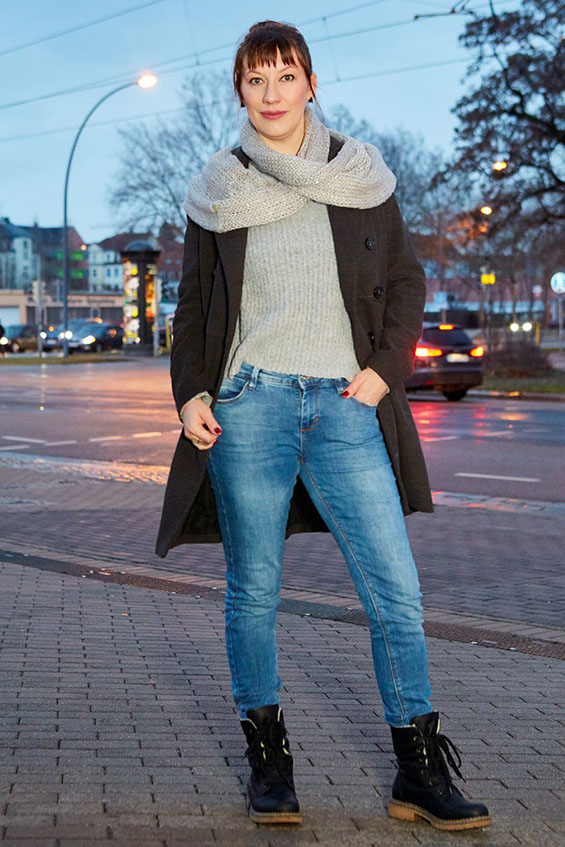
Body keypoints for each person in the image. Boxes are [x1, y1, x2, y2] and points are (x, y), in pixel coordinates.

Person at [161, 19, 491, 832]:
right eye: (255, 79)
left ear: (311, 84)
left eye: (285, 76)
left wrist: (384, 368)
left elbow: (406, 282)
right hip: (251, 404)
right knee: (254, 589)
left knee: (395, 591)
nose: (271, 93)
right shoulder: (218, 189)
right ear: (239, 92)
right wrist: (191, 392)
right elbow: (194, 306)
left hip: (345, 407)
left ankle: (417, 770)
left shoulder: (360, 177)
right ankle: (269, 763)